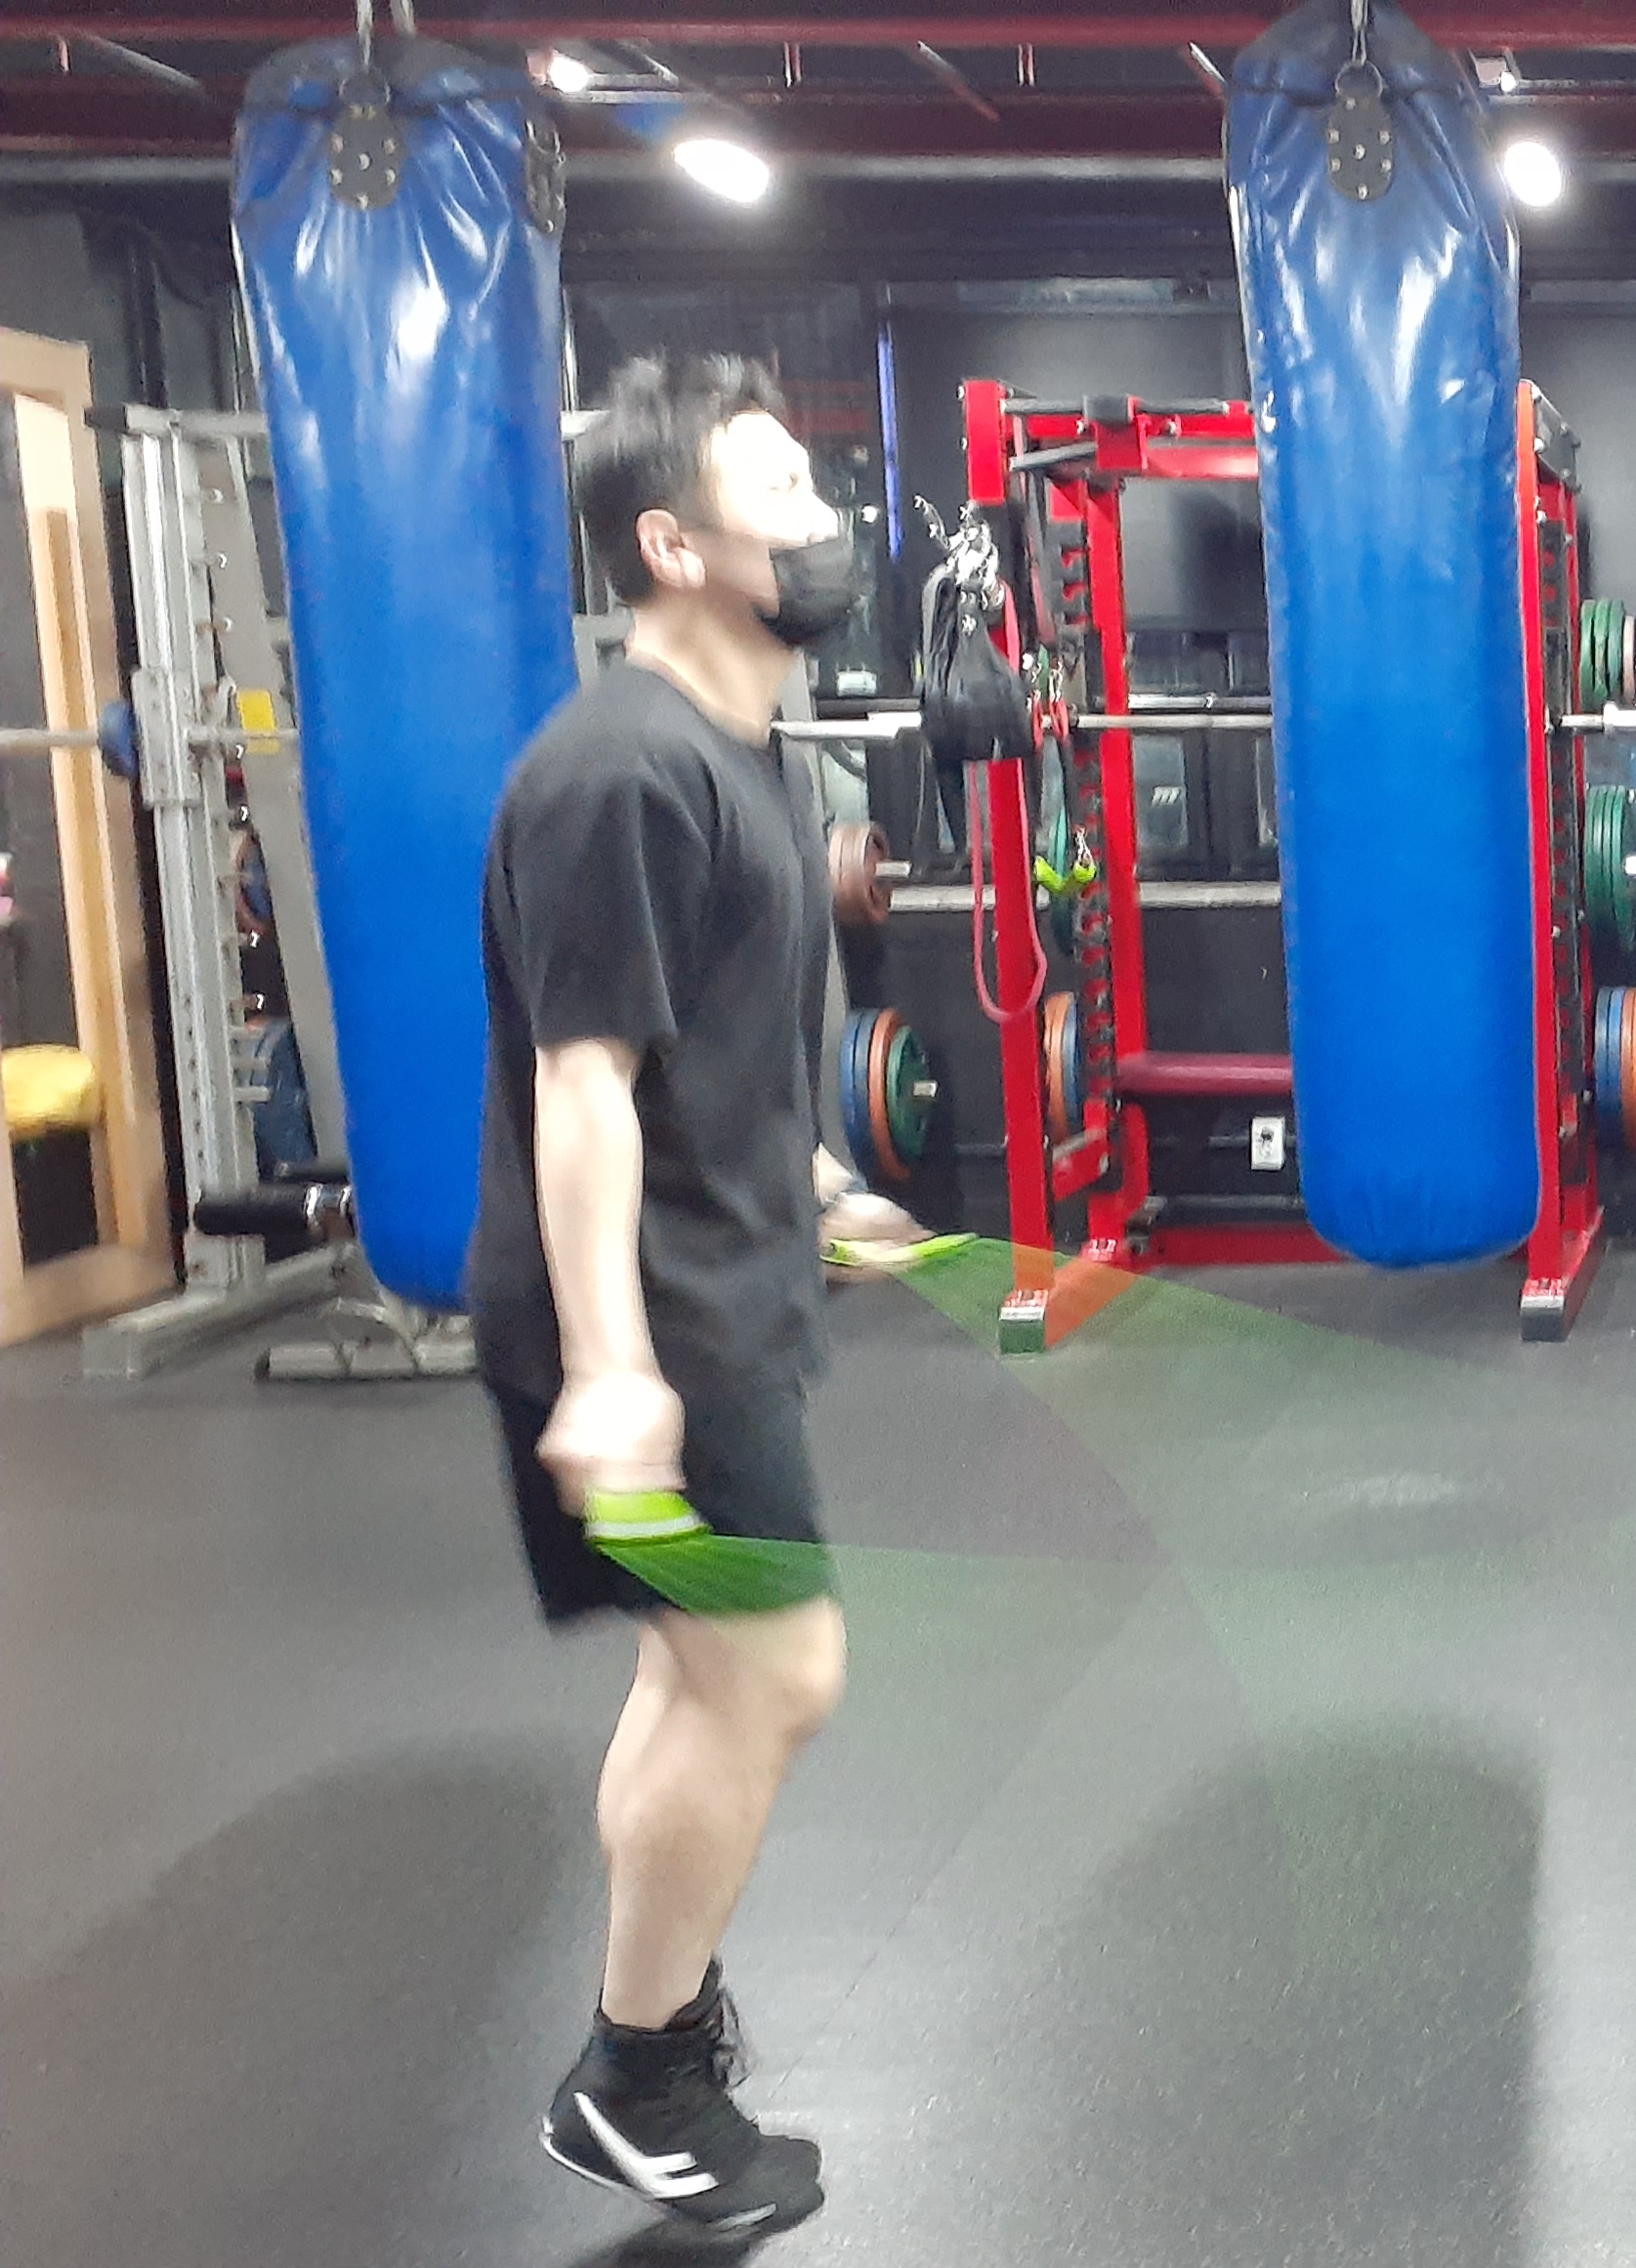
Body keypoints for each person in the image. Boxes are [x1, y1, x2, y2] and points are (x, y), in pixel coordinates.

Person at [469, 355, 915, 2233]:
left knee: (700, 1670)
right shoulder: (621, 770)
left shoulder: (751, 753)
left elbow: (695, 1039)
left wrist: (805, 1178)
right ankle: (634, 2072)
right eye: (780, 490)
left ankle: (656, 2012)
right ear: (672, 544)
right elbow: (579, 1084)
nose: (823, 520)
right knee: (777, 1668)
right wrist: (610, 1367)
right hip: (650, 1322)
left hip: (720, 1281)